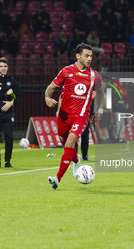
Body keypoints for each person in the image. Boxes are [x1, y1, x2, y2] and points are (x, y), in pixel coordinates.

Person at [45, 43, 104, 190]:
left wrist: (101, 109)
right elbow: (51, 88)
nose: (89, 58)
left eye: (91, 56)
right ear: (78, 56)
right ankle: (76, 162)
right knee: (67, 144)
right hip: (64, 116)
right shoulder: (66, 71)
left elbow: (101, 92)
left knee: (71, 141)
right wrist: (47, 97)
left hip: (82, 115)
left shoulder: (94, 75)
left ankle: (57, 179)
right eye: (86, 55)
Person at [0, 57, 22, 168]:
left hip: (8, 113)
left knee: (8, 136)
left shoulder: (12, 81)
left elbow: (20, 97)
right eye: (1, 66)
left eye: (5, 66)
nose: (3, 68)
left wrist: (11, 103)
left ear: (8, 68)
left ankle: (7, 161)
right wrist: (6, 93)